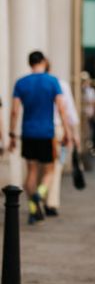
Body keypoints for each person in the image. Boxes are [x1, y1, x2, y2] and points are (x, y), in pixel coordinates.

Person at [8, 51, 72, 224]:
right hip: (46, 132)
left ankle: (33, 208)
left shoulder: (21, 83)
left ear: (29, 63)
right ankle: (40, 194)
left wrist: (12, 134)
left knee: (31, 172)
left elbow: (14, 111)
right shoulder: (52, 81)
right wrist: (67, 131)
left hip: (28, 132)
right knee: (49, 170)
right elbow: (61, 108)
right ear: (43, 62)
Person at [46, 62, 80, 216]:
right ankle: (50, 201)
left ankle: (39, 195)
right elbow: (67, 110)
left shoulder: (29, 82)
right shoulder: (60, 84)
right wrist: (71, 133)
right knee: (55, 167)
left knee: (41, 166)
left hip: (37, 131)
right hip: (57, 128)